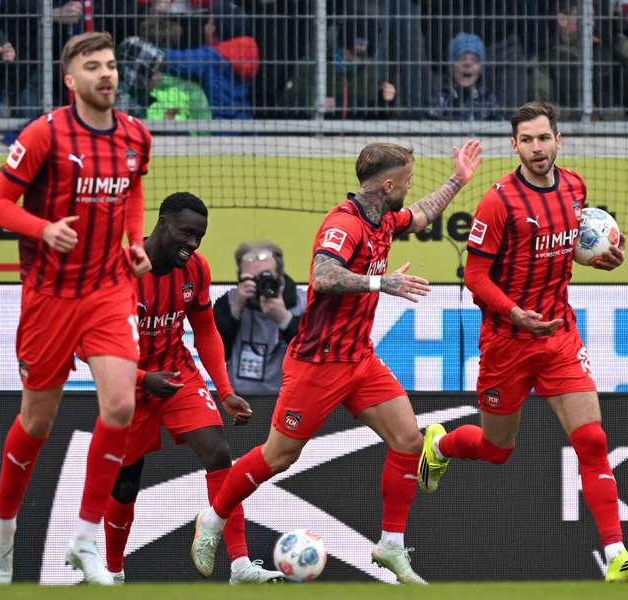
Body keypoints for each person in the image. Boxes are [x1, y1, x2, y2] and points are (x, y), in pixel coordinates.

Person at [190, 139, 484, 584]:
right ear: (387, 184)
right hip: (317, 364)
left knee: (407, 440)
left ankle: (390, 545)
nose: (409, 188)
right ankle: (211, 520)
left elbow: (421, 213)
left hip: (359, 359)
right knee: (279, 456)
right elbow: (324, 277)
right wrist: (380, 282)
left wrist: (458, 181)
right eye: (406, 181)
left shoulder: (383, 216)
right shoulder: (343, 223)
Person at [418, 101, 628, 583]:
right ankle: (441, 445)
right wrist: (513, 313)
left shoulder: (575, 187)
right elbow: (475, 274)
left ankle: (616, 555)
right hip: (508, 342)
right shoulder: (499, 201)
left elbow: (567, 247)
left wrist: (599, 259)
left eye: (543, 138)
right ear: (514, 146)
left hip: (559, 336)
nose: (536, 148)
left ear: (558, 140)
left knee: (591, 440)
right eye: (526, 140)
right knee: (496, 447)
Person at [0, 31, 153, 586]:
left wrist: (133, 243)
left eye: (110, 65)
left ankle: (84, 539)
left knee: (121, 406)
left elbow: (131, 193)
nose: (106, 74)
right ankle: (3, 532)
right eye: (93, 67)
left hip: (108, 291)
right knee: (38, 421)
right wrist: (43, 227)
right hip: (50, 297)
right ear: (70, 79)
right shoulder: (44, 134)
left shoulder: (135, 136)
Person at [99, 193, 284, 585]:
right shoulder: (123, 270)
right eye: (187, 233)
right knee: (126, 483)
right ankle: (113, 572)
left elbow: (204, 329)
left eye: (200, 236)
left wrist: (225, 389)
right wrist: (140, 379)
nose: (194, 244)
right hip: (128, 385)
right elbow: (93, 346)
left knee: (219, 453)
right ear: (161, 224)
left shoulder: (196, 269)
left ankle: (239, 567)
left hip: (177, 375)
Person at [213, 242, 305, 396]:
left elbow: (319, 354)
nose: (260, 284)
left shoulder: (304, 303)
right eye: (252, 279)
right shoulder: (229, 301)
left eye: (266, 277)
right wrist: (234, 312)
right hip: (241, 400)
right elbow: (212, 352)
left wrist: (285, 320)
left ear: (280, 276)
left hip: (291, 399)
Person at [431, 32, 502, 122]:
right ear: (452, 66)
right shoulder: (441, 98)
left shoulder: (488, 100)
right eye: (462, 59)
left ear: (481, 68)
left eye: (474, 60)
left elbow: (499, 129)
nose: (468, 64)